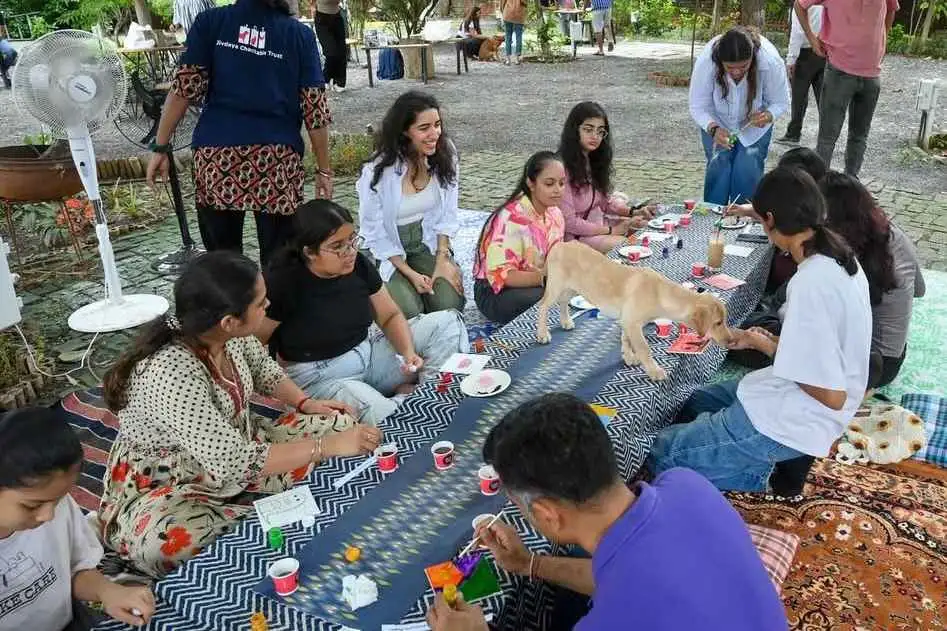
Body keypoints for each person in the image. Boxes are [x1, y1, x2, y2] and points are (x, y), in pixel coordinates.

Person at [99, 252, 381, 577]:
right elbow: (233, 462)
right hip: (176, 482)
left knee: (339, 423)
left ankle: (269, 511)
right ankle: (266, 518)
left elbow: (262, 368)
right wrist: (327, 447)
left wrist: (306, 404)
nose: (268, 305)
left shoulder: (227, 335)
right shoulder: (171, 373)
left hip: (243, 443)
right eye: (261, 303)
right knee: (173, 545)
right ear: (229, 321)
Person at [425, 393, 788, 630]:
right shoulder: (685, 484)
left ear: (547, 514)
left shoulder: (613, 620)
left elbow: (631, 592)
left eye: (517, 503)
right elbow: (621, 577)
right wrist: (527, 564)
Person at [648, 167, 871, 492]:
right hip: (786, 393)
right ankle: (738, 464)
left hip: (795, 418)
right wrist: (762, 340)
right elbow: (821, 349)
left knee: (660, 454)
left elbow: (831, 395)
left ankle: (754, 480)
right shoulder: (837, 258)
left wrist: (768, 348)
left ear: (768, 219)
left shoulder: (812, 282)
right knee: (692, 404)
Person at [146, 0, 334, 267]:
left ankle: (231, 306)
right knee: (279, 258)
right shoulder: (299, 35)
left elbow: (183, 89)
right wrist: (324, 170)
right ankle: (274, 306)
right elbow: (315, 108)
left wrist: (160, 146)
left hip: (217, 157)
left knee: (224, 261)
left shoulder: (211, 23)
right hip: (276, 160)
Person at [261, 200, 469, 426]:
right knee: (390, 421)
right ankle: (408, 401)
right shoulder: (283, 283)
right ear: (309, 252)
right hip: (323, 378)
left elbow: (389, 315)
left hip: (368, 354)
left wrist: (407, 352)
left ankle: (430, 396)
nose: (350, 251)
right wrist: (298, 399)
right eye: (337, 246)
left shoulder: (357, 263)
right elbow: (254, 346)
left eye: (352, 240)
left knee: (448, 322)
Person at [0, 407, 156, 630]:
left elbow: (74, 569)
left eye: (59, 499)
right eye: (31, 505)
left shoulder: (55, 505)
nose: (49, 514)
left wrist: (108, 592)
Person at [357, 92, 465, 320]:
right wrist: (410, 273)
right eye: (424, 128)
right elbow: (374, 231)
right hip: (386, 250)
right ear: (405, 130)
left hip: (424, 242)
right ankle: (374, 292)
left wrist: (443, 260)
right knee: (409, 311)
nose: (434, 133)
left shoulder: (446, 154)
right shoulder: (377, 171)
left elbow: (448, 213)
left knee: (448, 304)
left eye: (437, 125)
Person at [820, 172, 925, 388]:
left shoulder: (843, 253)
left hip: (868, 367)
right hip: (895, 355)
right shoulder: (894, 233)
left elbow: (828, 321)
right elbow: (919, 290)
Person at [795, 0, 898, 177]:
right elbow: (799, 5)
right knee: (828, 137)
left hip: (872, 72)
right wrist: (812, 39)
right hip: (839, 70)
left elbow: (891, 9)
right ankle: (820, 188)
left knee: (859, 136)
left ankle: (852, 184)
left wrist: (883, 39)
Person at [689, 27, 790, 205]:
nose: (736, 72)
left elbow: (781, 101)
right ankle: (713, 218)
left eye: (743, 66)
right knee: (718, 165)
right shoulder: (707, 61)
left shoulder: (770, 60)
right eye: (730, 68)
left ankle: (744, 221)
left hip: (755, 126)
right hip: (716, 120)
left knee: (748, 169)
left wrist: (768, 115)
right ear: (720, 61)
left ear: (753, 57)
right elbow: (698, 105)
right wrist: (713, 129)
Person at [473, 151, 566, 325]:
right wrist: (544, 279)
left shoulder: (555, 214)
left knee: (574, 290)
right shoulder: (510, 218)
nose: (557, 190)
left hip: (537, 281)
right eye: (549, 183)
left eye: (562, 183)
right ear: (531, 183)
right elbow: (501, 276)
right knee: (552, 299)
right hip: (495, 292)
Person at [558, 102, 654, 253]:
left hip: (600, 225)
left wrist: (633, 212)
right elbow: (569, 222)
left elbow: (605, 202)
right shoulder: (561, 169)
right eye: (588, 129)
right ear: (574, 130)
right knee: (632, 248)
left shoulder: (593, 161)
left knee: (648, 229)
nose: (595, 136)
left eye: (600, 131)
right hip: (576, 237)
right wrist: (611, 230)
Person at [779, 3, 824, 144]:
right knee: (823, 97)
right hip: (824, 50)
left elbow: (797, 32)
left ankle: (794, 133)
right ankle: (826, 137)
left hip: (804, 53)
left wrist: (791, 58)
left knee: (799, 96)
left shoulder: (801, 4)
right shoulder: (825, 4)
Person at [314, 0, 348, 92]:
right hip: (322, 18)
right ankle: (325, 78)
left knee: (341, 51)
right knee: (331, 52)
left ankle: (339, 82)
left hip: (337, 17)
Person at [500, 0, 526, 64]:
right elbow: (524, 2)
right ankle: (517, 60)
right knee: (519, 36)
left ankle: (508, 60)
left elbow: (502, 3)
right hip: (519, 15)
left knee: (508, 36)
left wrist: (503, 12)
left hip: (508, 14)